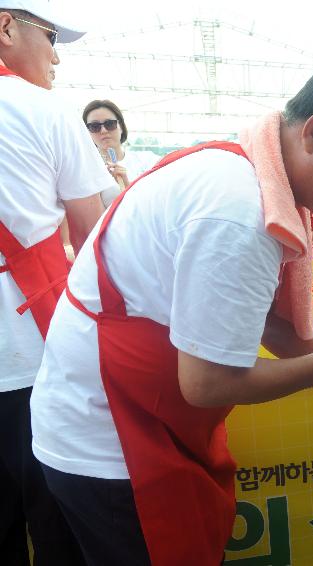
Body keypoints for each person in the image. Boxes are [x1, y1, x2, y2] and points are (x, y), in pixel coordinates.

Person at [29, 61, 313, 566]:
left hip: (109, 417)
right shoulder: (239, 211)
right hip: (113, 442)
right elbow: (208, 383)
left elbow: (240, 311)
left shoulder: (239, 169)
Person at [0, 3, 113, 564]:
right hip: (33, 359)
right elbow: (95, 239)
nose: (55, 54)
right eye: (49, 36)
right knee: (55, 526)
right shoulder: (41, 109)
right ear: (5, 28)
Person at [82, 99, 159, 206]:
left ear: (121, 127)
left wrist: (127, 186)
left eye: (109, 124)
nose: (103, 130)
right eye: (94, 127)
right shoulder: (84, 169)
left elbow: (159, 200)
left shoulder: (148, 160)